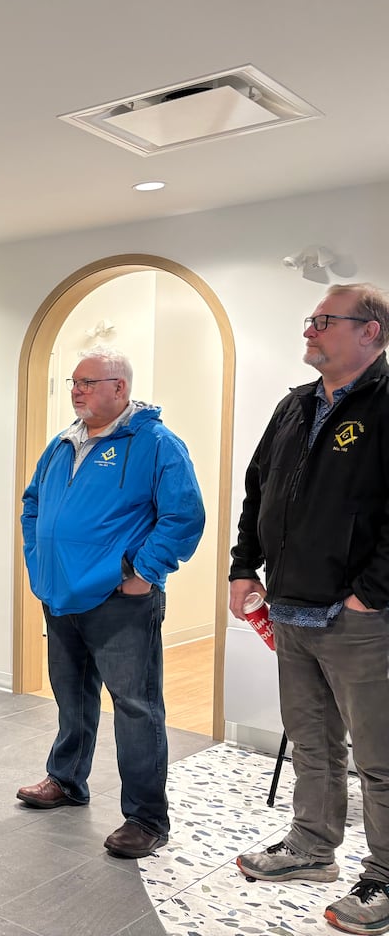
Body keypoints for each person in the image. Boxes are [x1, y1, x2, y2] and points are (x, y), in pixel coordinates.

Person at [231, 282, 389, 935]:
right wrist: (245, 566)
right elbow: (258, 488)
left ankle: (385, 876)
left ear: (370, 331)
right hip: (292, 606)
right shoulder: (294, 406)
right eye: (310, 320)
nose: (309, 330)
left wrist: (369, 594)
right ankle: (311, 848)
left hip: (362, 619)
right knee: (313, 741)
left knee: (380, 756)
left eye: (324, 321)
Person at [18, 347, 204, 858]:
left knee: (135, 707)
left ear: (120, 388)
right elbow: (33, 504)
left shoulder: (157, 443)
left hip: (120, 600)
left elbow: (184, 516)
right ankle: (66, 780)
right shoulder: (63, 443)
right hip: (61, 595)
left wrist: (144, 572)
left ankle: (146, 818)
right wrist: (39, 561)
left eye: (88, 382)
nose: (76, 391)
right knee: (72, 698)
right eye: (74, 383)